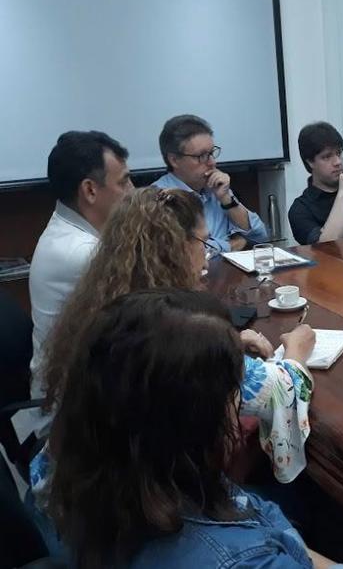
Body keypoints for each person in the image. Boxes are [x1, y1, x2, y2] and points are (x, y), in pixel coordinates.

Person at [35, 188, 315, 487]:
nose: (206, 257)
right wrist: (297, 351)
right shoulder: (177, 328)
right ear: (177, 247)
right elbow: (278, 388)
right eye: (203, 242)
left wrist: (230, 341)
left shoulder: (105, 304)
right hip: (136, 503)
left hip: (70, 479)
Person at [46, 289, 340, 569]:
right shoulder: (238, 558)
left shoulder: (97, 479)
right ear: (194, 421)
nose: (237, 409)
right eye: (233, 394)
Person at [27, 131, 133, 434]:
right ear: (89, 190)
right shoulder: (81, 252)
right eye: (124, 181)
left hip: (85, 385)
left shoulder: (71, 229)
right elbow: (143, 322)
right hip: (73, 417)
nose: (132, 192)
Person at [153, 114, 268, 252]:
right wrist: (233, 244)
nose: (212, 162)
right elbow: (185, 254)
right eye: (202, 156)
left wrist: (226, 200)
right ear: (174, 160)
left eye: (212, 152)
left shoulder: (214, 188)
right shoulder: (158, 198)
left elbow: (260, 237)